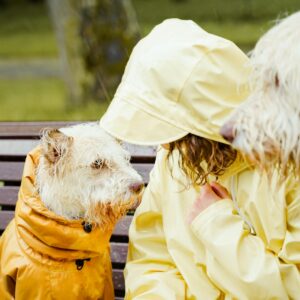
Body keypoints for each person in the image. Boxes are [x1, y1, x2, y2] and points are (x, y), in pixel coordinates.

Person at [100, 19, 300, 299]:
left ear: (200, 123)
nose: (164, 143)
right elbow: (151, 262)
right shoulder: (173, 161)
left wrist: (217, 224)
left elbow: (292, 289)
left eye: (172, 130)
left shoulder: (290, 166)